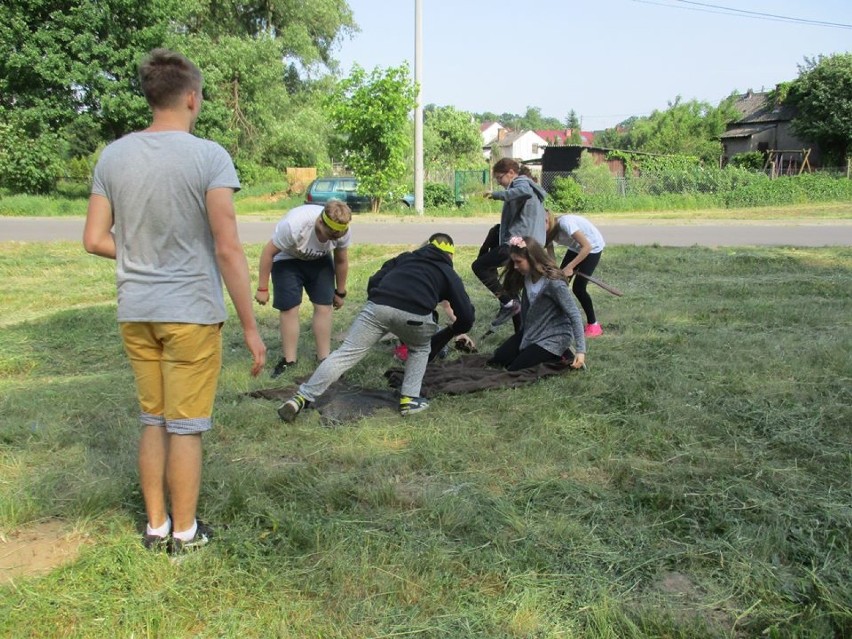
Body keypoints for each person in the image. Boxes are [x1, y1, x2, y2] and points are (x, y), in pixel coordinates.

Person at [82, 48, 266, 553]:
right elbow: (227, 246)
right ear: (191, 97)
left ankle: (155, 525)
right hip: (190, 314)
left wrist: (141, 252)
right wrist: (251, 327)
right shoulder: (208, 156)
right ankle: (185, 534)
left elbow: (95, 238)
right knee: (184, 427)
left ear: (150, 96)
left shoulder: (113, 156)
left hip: (136, 310)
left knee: (153, 418)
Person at [278, 233, 475, 422]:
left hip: (377, 307)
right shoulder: (448, 272)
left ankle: (301, 398)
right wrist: (453, 330)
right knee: (420, 348)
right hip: (416, 318)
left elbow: (374, 280)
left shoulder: (405, 258)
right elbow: (466, 315)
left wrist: (379, 302)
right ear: (450, 255)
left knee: (344, 354)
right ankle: (409, 400)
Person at [255, 201, 351, 378]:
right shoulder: (294, 226)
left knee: (324, 307)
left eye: (333, 238)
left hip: (319, 261)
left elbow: (341, 260)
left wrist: (340, 291)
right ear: (320, 222)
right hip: (287, 259)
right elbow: (268, 253)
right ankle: (289, 360)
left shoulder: (342, 231)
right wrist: (262, 287)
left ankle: (324, 359)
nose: (328, 240)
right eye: (326, 236)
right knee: (289, 308)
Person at [488, 236, 586, 371]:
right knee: (498, 359)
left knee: (514, 369)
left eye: (519, 262)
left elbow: (574, 314)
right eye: (513, 262)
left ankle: (563, 353)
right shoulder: (526, 276)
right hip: (533, 331)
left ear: (532, 258)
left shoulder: (554, 284)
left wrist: (581, 351)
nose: (515, 266)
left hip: (554, 336)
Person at [473, 158, 548, 331]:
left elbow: (523, 192)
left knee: (479, 266)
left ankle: (507, 303)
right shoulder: (524, 186)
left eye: (500, 178)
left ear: (511, 173)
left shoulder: (522, 183)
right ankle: (519, 333)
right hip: (527, 244)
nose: (499, 182)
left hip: (519, 244)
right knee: (512, 287)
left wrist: (497, 195)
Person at [545, 210, 606, 338]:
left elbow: (587, 247)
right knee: (558, 283)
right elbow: (550, 250)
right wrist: (555, 269)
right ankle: (558, 320)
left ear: (549, 219)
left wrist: (570, 267)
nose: (541, 226)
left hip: (592, 247)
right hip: (576, 247)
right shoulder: (545, 231)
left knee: (579, 288)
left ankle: (594, 325)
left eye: (544, 222)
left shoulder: (566, 223)